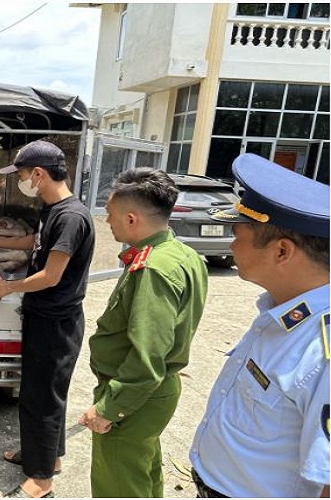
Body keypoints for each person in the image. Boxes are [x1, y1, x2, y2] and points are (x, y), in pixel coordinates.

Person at [190, 153, 330, 498]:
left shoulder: (322, 351)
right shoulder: (282, 311)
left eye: (238, 234)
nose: (231, 245)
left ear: (282, 252)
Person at [0, 140, 95, 498]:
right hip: (45, 315)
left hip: (57, 320)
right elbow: (38, 242)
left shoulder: (72, 217)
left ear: (39, 174)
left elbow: (51, 275)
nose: (22, 181)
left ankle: (41, 480)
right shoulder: (53, 210)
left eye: (24, 175)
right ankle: (47, 457)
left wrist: (7, 287)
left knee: (41, 396)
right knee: (44, 392)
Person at [77, 167, 208, 498]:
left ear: (132, 218)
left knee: (119, 485)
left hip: (135, 394)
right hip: (152, 392)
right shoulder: (182, 254)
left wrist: (110, 408)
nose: (107, 222)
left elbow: (148, 355)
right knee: (142, 475)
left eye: (109, 214)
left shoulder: (153, 268)